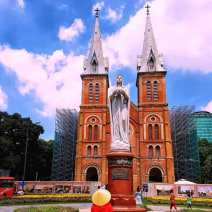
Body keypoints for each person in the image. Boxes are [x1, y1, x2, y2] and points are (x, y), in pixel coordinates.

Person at [109, 75, 130, 151]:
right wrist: (114, 93)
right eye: (118, 78)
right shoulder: (113, 89)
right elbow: (110, 98)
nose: (119, 79)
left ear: (122, 80)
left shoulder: (125, 88)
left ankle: (124, 139)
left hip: (123, 107)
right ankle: (117, 138)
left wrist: (124, 93)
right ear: (116, 80)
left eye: (120, 78)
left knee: (123, 120)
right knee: (116, 122)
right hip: (115, 108)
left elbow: (128, 98)